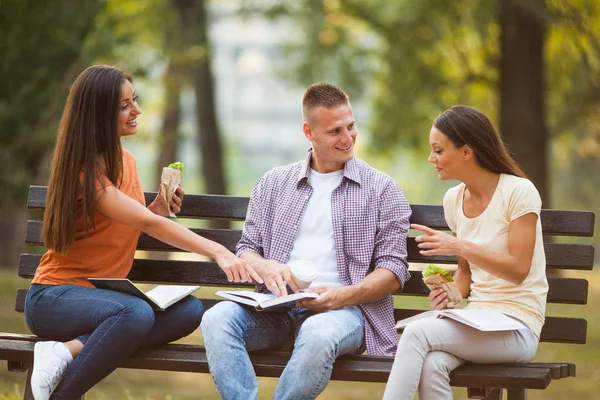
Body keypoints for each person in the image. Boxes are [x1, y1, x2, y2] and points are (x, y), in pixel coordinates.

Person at [24, 65, 262, 400]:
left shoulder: (127, 161)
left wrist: (161, 207)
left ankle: (67, 351)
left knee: (190, 310)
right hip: (55, 299)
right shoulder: (84, 171)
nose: (136, 110)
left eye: (133, 100)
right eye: (124, 106)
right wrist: (220, 251)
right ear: (98, 115)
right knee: (134, 313)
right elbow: (148, 226)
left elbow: (141, 220)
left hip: (106, 302)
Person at [200, 83, 412, 399]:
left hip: (343, 313)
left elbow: (394, 272)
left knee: (316, 333)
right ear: (308, 132)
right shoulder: (273, 183)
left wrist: (342, 296)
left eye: (351, 126)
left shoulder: (381, 190)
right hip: (274, 310)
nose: (348, 137)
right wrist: (266, 266)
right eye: (335, 131)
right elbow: (248, 248)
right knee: (216, 318)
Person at [382, 105, 548, 400]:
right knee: (432, 364)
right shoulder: (453, 200)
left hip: (517, 327)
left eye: (438, 150)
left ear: (466, 152)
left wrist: (459, 245)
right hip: (476, 320)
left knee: (417, 334)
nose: (431, 158)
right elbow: (466, 275)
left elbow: (518, 270)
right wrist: (451, 294)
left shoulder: (519, 192)